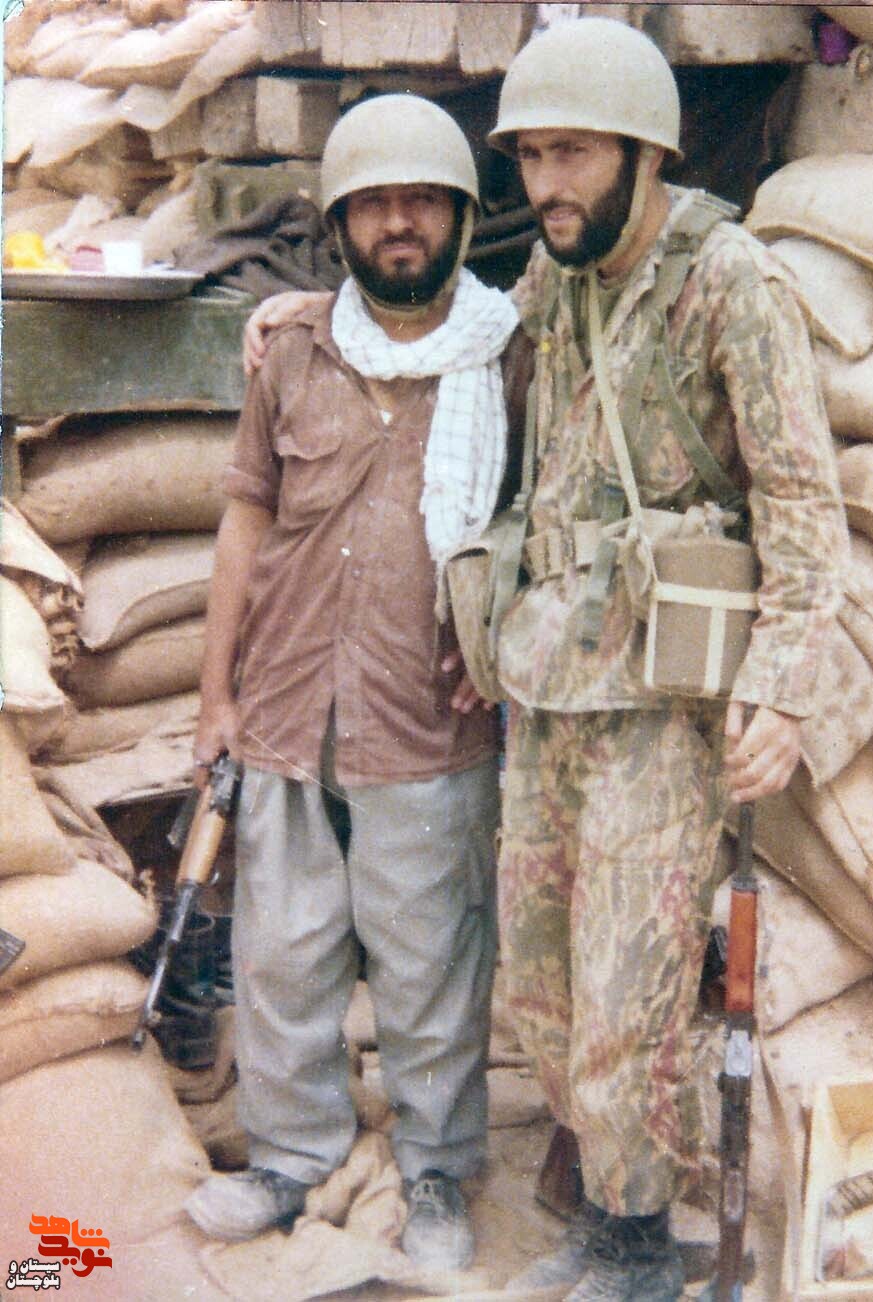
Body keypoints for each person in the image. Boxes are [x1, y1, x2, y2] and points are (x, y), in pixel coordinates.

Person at [241, 20, 847, 1298]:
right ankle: (605, 1218)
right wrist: (315, 313)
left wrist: (783, 690)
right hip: (551, 688)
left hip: (661, 705)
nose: (547, 185)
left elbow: (803, 501)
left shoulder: (729, 285)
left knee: (632, 988)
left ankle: (637, 1243)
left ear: (646, 151)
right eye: (529, 158)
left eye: (572, 154)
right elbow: (438, 329)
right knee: (542, 980)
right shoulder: (555, 285)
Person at [184, 93, 521, 1272]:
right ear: (338, 225)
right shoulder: (293, 350)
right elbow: (245, 522)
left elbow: (537, 521)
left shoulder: (510, 354)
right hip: (286, 706)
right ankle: (291, 1155)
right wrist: (216, 696)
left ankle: (435, 1170)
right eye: (374, 205)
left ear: (461, 217)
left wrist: (498, 636)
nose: (399, 224)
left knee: (431, 964)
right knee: (282, 956)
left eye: (422, 201)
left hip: (428, 716)